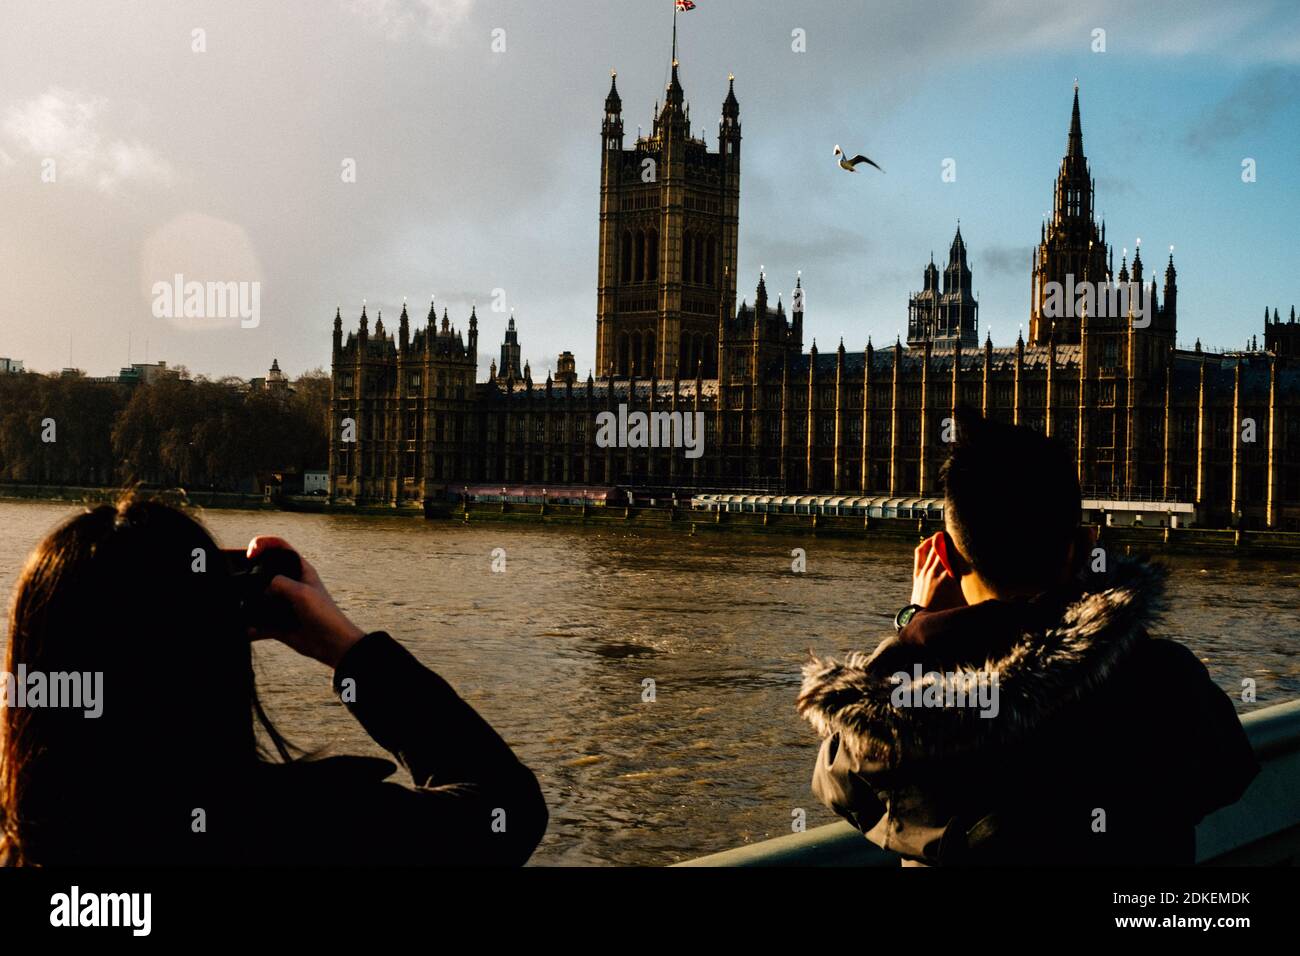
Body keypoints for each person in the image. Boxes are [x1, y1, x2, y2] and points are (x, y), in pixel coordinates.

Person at [797, 410, 1259, 865]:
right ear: (1084, 546)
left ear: (941, 555)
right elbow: (1228, 773)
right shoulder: (1167, 680)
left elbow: (839, 780)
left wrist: (916, 627)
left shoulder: (903, 720)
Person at [0, 493, 547, 865]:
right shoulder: (310, 832)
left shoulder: (22, 839)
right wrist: (346, 648)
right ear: (215, 655)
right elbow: (508, 809)